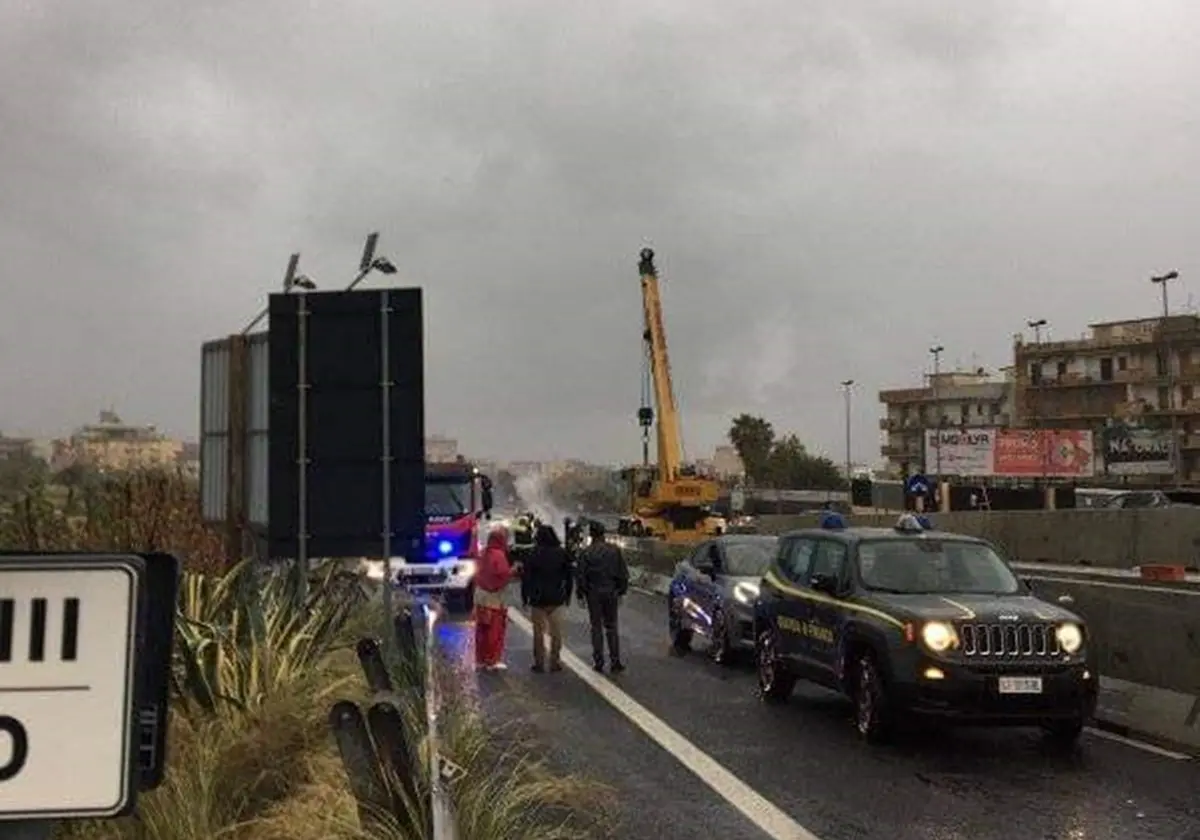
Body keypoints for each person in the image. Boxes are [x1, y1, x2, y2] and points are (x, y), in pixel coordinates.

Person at [576, 521, 629, 673]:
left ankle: (598, 662)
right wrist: (621, 591)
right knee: (612, 626)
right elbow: (622, 573)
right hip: (611, 591)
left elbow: (581, 575)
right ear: (603, 533)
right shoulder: (614, 551)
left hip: (593, 593)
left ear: (591, 534)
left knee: (596, 627)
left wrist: (580, 594)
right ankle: (615, 661)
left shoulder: (586, 552)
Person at [521, 524, 573, 673]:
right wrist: (568, 595)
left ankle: (539, 663)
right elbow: (568, 577)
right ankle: (555, 661)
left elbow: (526, 578)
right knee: (556, 633)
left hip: (537, 599)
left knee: (538, 633)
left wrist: (525, 597)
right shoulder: (561, 553)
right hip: (556, 598)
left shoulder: (533, 554)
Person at [475, 526, 517, 671]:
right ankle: (492, 660)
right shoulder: (499, 555)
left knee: (481, 630)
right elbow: (502, 575)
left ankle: (480, 659)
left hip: (480, 597)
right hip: (494, 600)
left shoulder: (483, 553)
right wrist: (514, 571)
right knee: (495, 630)